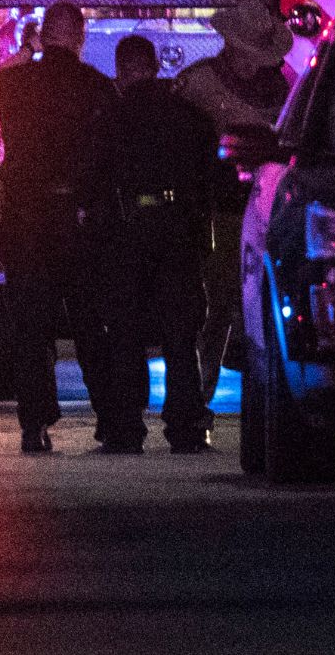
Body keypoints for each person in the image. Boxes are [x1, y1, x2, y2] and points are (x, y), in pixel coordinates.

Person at [0, 2, 122, 454]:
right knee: (90, 327)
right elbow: (110, 156)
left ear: (44, 36)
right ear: (79, 38)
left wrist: (21, 55)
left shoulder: (15, 83)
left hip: (27, 220)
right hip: (79, 222)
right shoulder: (98, 88)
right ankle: (112, 422)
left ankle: (34, 424)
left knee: (32, 328)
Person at [87, 34, 220, 453]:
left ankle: (127, 428)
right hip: (178, 227)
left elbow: (96, 176)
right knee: (181, 333)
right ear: (155, 66)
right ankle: (186, 426)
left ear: (121, 71)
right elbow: (208, 173)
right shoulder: (187, 116)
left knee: (125, 332)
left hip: (129, 229)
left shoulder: (111, 116)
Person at [173, 0, 295, 402]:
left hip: (270, 211)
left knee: (268, 308)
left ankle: (271, 397)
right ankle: (197, 398)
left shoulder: (284, 88)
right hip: (219, 211)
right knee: (216, 306)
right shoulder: (198, 85)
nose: (254, 63)